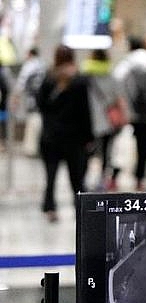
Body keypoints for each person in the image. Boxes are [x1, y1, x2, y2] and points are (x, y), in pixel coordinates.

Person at [36, 45, 93, 222]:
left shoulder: (49, 78)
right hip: (74, 138)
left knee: (51, 176)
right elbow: (85, 112)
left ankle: (50, 208)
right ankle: (80, 209)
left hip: (51, 137)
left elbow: (41, 105)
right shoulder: (79, 80)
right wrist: (89, 137)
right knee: (77, 178)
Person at [113, 35, 146, 191]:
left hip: (129, 113)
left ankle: (114, 177)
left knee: (122, 145)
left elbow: (117, 82)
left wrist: (124, 107)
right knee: (143, 147)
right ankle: (139, 179)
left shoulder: (126, 64)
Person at [82, 49, 128, 191]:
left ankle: (84, 179)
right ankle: (102, 181)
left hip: (88, 121)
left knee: (87, 152)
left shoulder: (85, 76)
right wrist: (123, 117)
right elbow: (119, 98)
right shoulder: (112, 76)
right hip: (108, 121)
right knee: (106, 153)